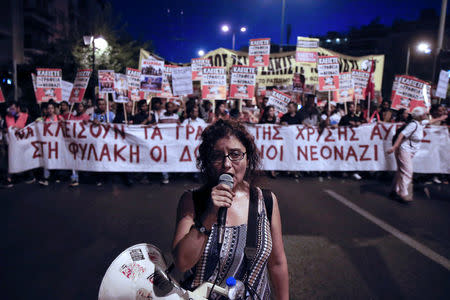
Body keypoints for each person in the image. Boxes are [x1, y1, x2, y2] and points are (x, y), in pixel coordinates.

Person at [172, 119, 289, 300]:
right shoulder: (192, 201)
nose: (227, 164)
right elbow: (182, 263)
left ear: (247, 158)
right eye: (217, 156)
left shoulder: (265, 201)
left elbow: (277, 263)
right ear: (207, 162)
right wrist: (209, 215)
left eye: (235, 154)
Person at [387, 107, 447, 202]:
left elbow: (430, 121)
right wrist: (394, 147)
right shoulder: (413, 125)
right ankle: (403, 194)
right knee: (408, 172)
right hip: (404, 150)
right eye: (424, 114)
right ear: (419, 116)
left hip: (409, 151)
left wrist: (440, 118)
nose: (425, 115)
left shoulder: (420, 123)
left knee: (401, 171)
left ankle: (394, 191)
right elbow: (401, 135)